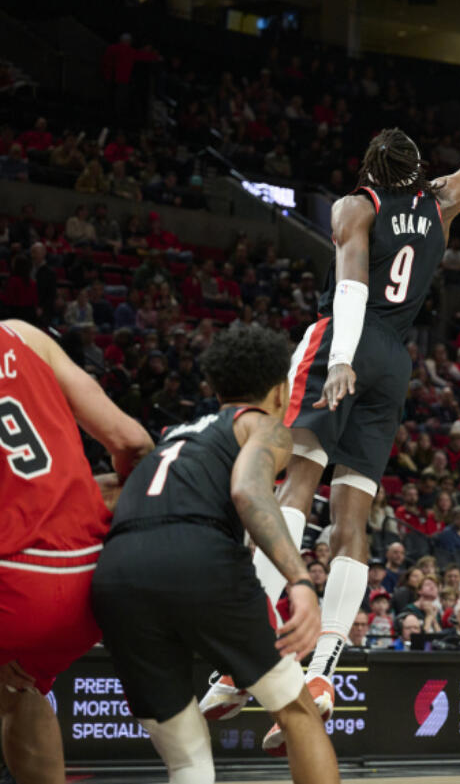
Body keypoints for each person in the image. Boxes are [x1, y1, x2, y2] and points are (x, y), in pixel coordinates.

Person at [252, 73, 460, 754]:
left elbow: (350, 284)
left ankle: (259, 624)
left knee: (293, 484)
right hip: (398, 361)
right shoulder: (443, 201)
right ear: (419, 172)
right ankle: (324, 670)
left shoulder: (357, 206)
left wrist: (341, 356)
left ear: (369, 173)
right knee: (352, 520)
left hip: (350, 342)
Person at [91, 325, 338, 782]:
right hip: (198, 557)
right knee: (299, 713)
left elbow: (103, 496)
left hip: (117, 574)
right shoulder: (261, 425)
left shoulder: (168, 437)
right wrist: (300, 581)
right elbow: (247, 490)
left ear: (214, 386)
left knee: (187, 759)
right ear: (282, 391)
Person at [0, 320, 152, 784]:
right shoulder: (23, 335)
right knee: (22, 690)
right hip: (93, 575)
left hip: (13, 585)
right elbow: (134, 444)